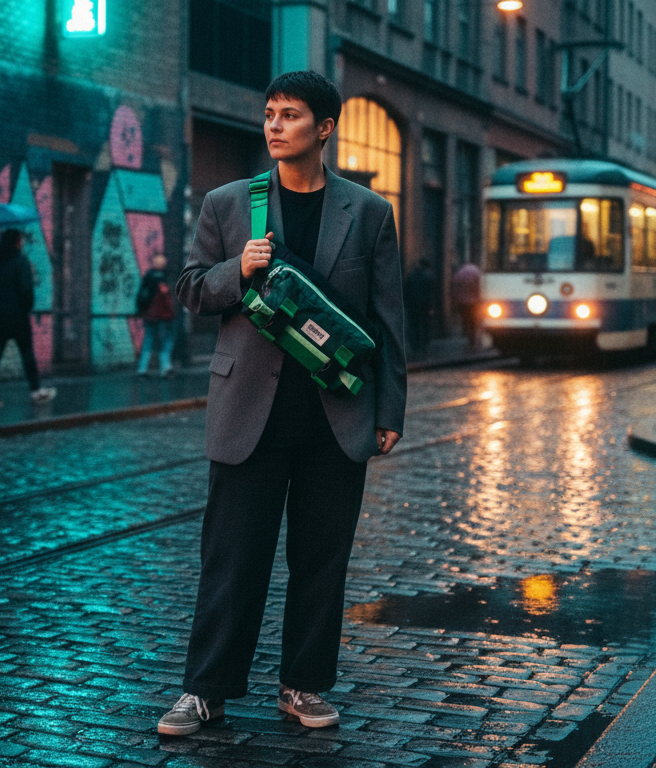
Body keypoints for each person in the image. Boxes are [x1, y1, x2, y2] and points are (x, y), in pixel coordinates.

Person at [161, 70, 406, 736]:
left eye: (291, 115)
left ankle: (303, 686)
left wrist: (389, 411)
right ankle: (204, 690)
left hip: (336, 414)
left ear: (323, 129)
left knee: (321, 561)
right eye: (269, 113)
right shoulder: (229, 203)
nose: (274, 125)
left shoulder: (369, 212)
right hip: (248, 410)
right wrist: (234, 272)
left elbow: (388, 321)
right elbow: (187, 287)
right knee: (232, 559)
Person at [0, 229, 55, 406]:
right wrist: (25, 308)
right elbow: (27, 290)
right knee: (27, 353)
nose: (21, 243)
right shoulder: (21, 262)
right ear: (16, 242)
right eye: (20, 240)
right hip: (17, 317)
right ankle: (35, 391)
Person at [135, 254, 177, 377]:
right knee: (165, 341)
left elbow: (141, 296)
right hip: (164, 316)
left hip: (150, 316)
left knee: (149, 341)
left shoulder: (148, 276)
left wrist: (142, 311)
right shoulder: (164, 277)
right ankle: (166, 368)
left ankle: (142, 370)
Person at [403, 258, 436, 355]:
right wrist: (431, 307)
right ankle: (424, 346)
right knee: (425, 326)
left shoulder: (411, 276)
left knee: (413, 326)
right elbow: (430, 293)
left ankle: (415, 346)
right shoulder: (428, 277)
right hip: (424, 306)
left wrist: (406, 304)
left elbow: (405, 291)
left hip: (412, 306)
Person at [451, 260, 483, 350]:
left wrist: (455, 300)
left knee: (465, 318)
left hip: (462, 302)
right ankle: (472, 339)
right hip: (474, 302)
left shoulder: (459, 273)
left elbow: (454, 287)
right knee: (473, 321)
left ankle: (465, 332)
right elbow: (480, 286)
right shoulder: (476, 272)